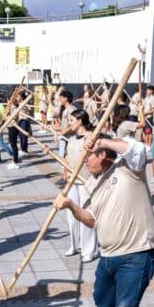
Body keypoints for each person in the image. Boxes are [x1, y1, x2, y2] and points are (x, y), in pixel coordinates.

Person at [54, 135, 154, 307]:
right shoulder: (93, 184)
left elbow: (142, 149)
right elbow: (90, 220)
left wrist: (103, 141)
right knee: (102, 297)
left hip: (136, 252)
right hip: (108, 254)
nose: (83, 160)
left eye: (87, 155)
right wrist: (70, 205)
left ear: (101, 155)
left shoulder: (128, 169)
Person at [62, 109, 99, 262]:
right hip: (72, 181)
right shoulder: (71, 139)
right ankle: (75, 245)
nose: (69, 123)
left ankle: (89, 249)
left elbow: (96, 158)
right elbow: (67, 157)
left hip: (86, 181)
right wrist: (64, 170)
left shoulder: (91, 138)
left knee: (86, 214)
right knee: (71, 215)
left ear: (80, 121)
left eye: (71, 120)